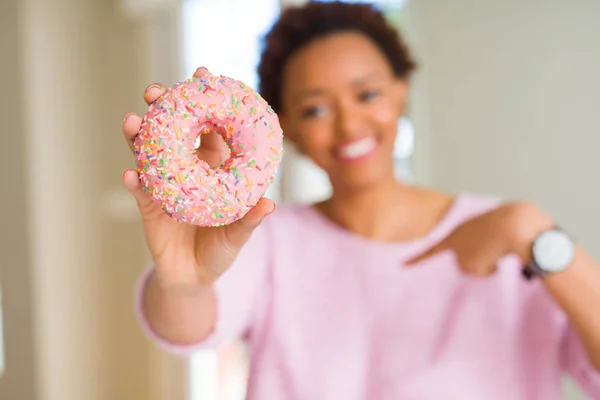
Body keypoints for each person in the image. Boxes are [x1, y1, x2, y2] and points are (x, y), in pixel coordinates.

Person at [121, 1, 600, 399]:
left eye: (367, 95)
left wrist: (531, 231)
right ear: (287, 127)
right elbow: (184, 328)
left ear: (399, 94)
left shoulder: (511, 238)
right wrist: (183, 283)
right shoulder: (266, 237)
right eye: (316, 108)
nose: (349, 126)